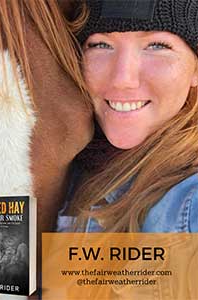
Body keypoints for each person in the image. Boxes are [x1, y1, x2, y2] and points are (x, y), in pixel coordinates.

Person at [57, 0, 198, 233]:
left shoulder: (189, 201)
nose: (123, 78)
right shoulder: (56, 170)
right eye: (101, 44)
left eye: (156, 46)